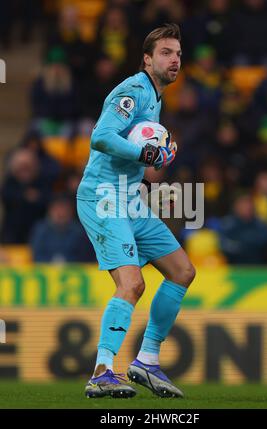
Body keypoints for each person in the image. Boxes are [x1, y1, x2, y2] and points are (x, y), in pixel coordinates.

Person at [77, 23, 195, 399]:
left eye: (177, 53)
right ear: (147, 59)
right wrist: (146, 154)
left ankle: (146, 360)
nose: (174, 59)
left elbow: (136, 150)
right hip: (104, 197)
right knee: (132, 284)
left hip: (130, 198)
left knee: (182, 271)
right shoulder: (132, 90)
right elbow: (100, 136)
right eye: (165, 53)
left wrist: (159, 156)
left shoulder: (155, 98)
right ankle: (102, 370)